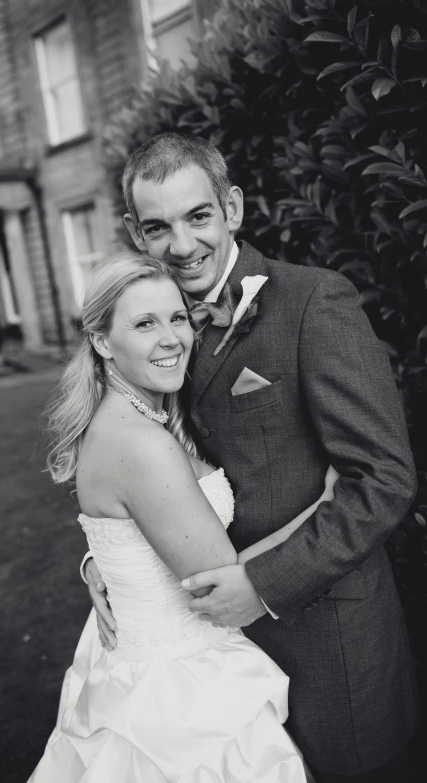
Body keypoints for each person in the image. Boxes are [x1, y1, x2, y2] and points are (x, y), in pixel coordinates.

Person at [83, 133, 418, 782]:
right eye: (157, 227)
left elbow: (384, 478)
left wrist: (264, 584)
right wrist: (111, 556)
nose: (181, 246)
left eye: (198, 216)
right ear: (135, 233)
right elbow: (148, 467)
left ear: (231, 207)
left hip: (328, 645)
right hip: (216, 662)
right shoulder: (156, 329)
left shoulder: (314, 302)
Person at [28, 251, 339, 782]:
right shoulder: (142, 443)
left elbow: (128, 529)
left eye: (177, 317)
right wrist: (324, 502)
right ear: (103, 342)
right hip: (177, 690)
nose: (171, 337)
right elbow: (223, 586)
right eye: (144, 323)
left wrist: (98, 563)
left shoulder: (134, 415)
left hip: (141, 656)